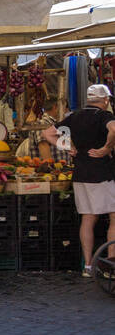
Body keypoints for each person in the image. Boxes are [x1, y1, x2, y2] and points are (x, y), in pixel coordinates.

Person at [43, 84, 115, 277]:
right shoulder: (104, 116)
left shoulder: (74, 116)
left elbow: (47, 133)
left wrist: (67, 147)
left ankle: (88, 265)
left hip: (80, 174)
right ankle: (111, 264)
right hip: (102, 174)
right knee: (114, 217)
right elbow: (114, 129)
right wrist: (106, 149)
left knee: (88, 217)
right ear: (105, 100)